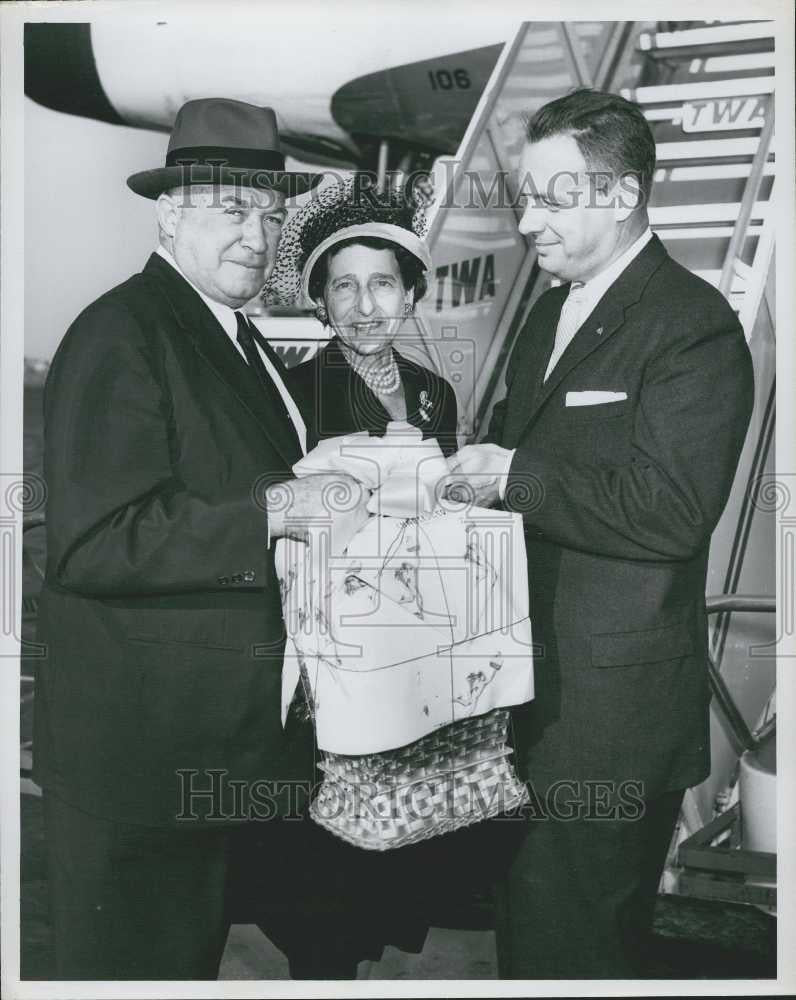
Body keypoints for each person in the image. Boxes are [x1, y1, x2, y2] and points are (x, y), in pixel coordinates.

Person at [34, 98, 371, 980]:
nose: (256, 235)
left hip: (208, 749)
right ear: (170, 214)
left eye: (269, 212)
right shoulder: (124, 332)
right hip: (142, 766)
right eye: (230, 209)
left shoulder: (233, 335)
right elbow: (94, 541)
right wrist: (277, 509)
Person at [448, 88, 754, 978]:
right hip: (525, 703)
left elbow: (671, 509)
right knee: (529, 941)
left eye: (553, 198)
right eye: (524, 199)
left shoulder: (693, 325)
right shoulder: (551, 310)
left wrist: (513, 475)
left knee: (573, 950)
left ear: (622, 196)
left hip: (608, 726)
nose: (529, 222)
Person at [285, 186, 459, 457]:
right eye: (344, 285)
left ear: (408, 294)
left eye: (382, 283)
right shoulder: (293, 394)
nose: (365, 306)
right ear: (321, 301)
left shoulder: (437, 393)